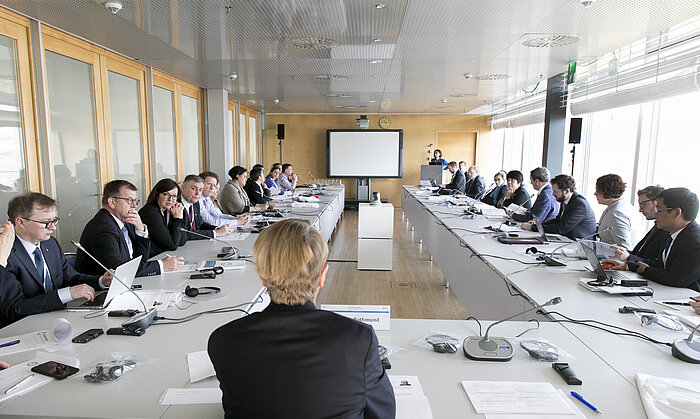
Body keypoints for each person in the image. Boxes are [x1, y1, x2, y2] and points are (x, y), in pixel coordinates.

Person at [208, 219, 396, 418]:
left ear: (261, 277)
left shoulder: (223, 340)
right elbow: (383, 412)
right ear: (323, 275)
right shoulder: (358, 339)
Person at [0, 194, 112, 326]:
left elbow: (70, 279)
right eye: (46, 223)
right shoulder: (5, 252)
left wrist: (102, 281)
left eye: (54, 221)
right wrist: (66, 294)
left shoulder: (50, 244)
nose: (53, 227)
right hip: (23, 327)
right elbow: (16, 308)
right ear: (20, 222)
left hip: (57, 319)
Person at [75, 180, 184, 277]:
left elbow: (141, 259)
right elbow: (118, 270)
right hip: (100, 291)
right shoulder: (102, 228)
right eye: (129, 200)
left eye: (135, 201)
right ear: (112, 202)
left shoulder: (126, 220)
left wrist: (140, 230)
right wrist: (162, 266)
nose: (134, 206)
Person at [604, 188, 700, 291]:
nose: (655, 214)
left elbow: (676, 278)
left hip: (686, 299)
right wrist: (629, 266)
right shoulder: (672, 233)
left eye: (659, 210)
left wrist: (645, 270)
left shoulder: (695, 241)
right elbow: (661, 265)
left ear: (677, 213)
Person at [523, 174, 596, 240]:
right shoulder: (565, 200)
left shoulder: (579, 204)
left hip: (578, 243)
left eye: (556, 192)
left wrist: (532, 228)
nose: (553, 194)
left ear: (567, 191)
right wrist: (537, 224)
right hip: (567, 239)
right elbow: (557, 221)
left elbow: (561, 228)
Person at [613, 185, 668, 263]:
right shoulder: (656, 226)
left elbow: (657, 263)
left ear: (657, 203)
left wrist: (629, 258)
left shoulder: (667, 229)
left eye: (643, 204)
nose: (640, 210)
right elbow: (640, 254)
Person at [138, 179, 187, 257]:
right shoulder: (150, 213)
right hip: (150, 259)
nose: (170, 199)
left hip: (162, 255)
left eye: (174, 196)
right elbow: (172, 245)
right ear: (157, 195)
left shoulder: (169, 211)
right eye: (166, 194)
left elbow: (182, 240)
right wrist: (177, 219)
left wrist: (180, 216)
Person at [180, 175, 234, 240]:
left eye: (200, 190)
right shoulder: (177, 205)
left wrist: (217, 228)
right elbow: (185, 233)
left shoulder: (195, 203)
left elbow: (200, 224)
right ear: (182, 188)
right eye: (193, 188)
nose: (197, 193)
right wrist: (215, 233)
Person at [594, 174, 635, 250]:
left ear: (607, 191)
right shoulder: (618, 206)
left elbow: (625, 248)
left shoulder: (617, 213)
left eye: (598, 191)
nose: (595, 194)